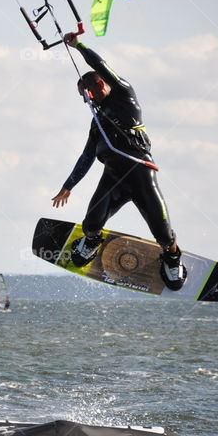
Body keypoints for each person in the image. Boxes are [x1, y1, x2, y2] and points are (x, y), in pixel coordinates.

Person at [52, 32, 186, 291]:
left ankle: (171, 257)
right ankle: (92, 242)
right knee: (90, 224)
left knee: (163, 232)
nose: (86, 99)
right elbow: (87, 155)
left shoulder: (125, 97)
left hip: (140, 175)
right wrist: (69, 185)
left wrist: (78, 46)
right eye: (82, 96)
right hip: (113, 177)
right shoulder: (98, 122)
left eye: (87, 93)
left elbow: (99, 65)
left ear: (101, 85)